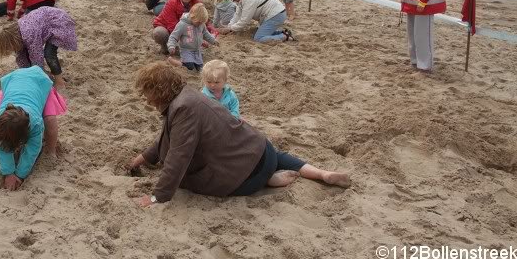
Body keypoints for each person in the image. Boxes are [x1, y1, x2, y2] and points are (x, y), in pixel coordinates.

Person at [126, 62, 350, 206]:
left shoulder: (183, 109)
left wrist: (157, 196)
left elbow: (178, 155)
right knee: (276, 155)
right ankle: (320, 174)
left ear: (159, 90)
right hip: (261, 149)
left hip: (245, 179)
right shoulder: (187, 95)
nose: (147, 99)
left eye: (148, 93)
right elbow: (168, 138)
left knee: (191, 180)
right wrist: (141, 159)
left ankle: (267, 181)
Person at [0, 66, 66, 189]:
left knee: (50, 119)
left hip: (39, 82)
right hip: (14, 81)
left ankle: (51, 150)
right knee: (4, 134)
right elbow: (0, 146)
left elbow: (32, 149)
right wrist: (8, 173)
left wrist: (20, 175)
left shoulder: (35, 124)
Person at [0, 6, 78, 92]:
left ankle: (60, 82)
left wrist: (38, 78)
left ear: (11, 41)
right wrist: (26, 74)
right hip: (47, 19)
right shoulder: (18, 36)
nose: (10, 50)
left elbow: (37, 57)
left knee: (49, 54)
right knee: (27, 56)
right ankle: (46, 76)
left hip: (58, 22)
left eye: (8, 48)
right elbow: (21, 58)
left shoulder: (28, 34)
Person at [152, 0, 216, 53]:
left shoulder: (197, 3)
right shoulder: (171, 3)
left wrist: (210, 28)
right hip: (166, 26)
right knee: (159, 33)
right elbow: (172, 26)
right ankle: (165, 46)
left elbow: (202, 18)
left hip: (183, 27)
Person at [218, 0, 294, 42]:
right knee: (255, 32)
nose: (233, 1)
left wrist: (230, 29)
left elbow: (244, 21)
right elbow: (238, 14)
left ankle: (285, 37)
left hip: (276, 15)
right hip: (274, 14)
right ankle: (283, 32)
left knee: (258, 38)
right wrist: (229, 26)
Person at [167, 2, 218, 71]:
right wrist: (171, 46)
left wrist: (213, 40)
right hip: (186, 49)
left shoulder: (201, 24)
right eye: (198, 22)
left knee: (199, 68)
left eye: (201, 22)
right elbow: (173, 36)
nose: (199, 24)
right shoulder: (182, 24)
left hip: (197, 50)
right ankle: (175, 62)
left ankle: (192, 63)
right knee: (189, 67)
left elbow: (206, 34)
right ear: (192, 16)